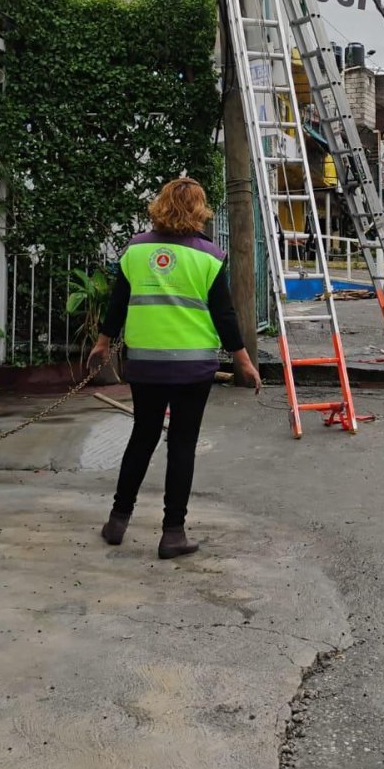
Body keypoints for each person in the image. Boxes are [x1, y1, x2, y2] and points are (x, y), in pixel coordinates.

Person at [88, 177, 261, 560]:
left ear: (160, 205)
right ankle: (172, 533)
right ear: (199, 211)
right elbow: (225, 315)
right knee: (182, 444)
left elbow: (118, 305)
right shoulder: (210, 257)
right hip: (193, 366)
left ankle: (118, 521)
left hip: (145, 363)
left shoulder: (134, 250)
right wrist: (244, 362)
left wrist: (102, 344)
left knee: (142, 436)